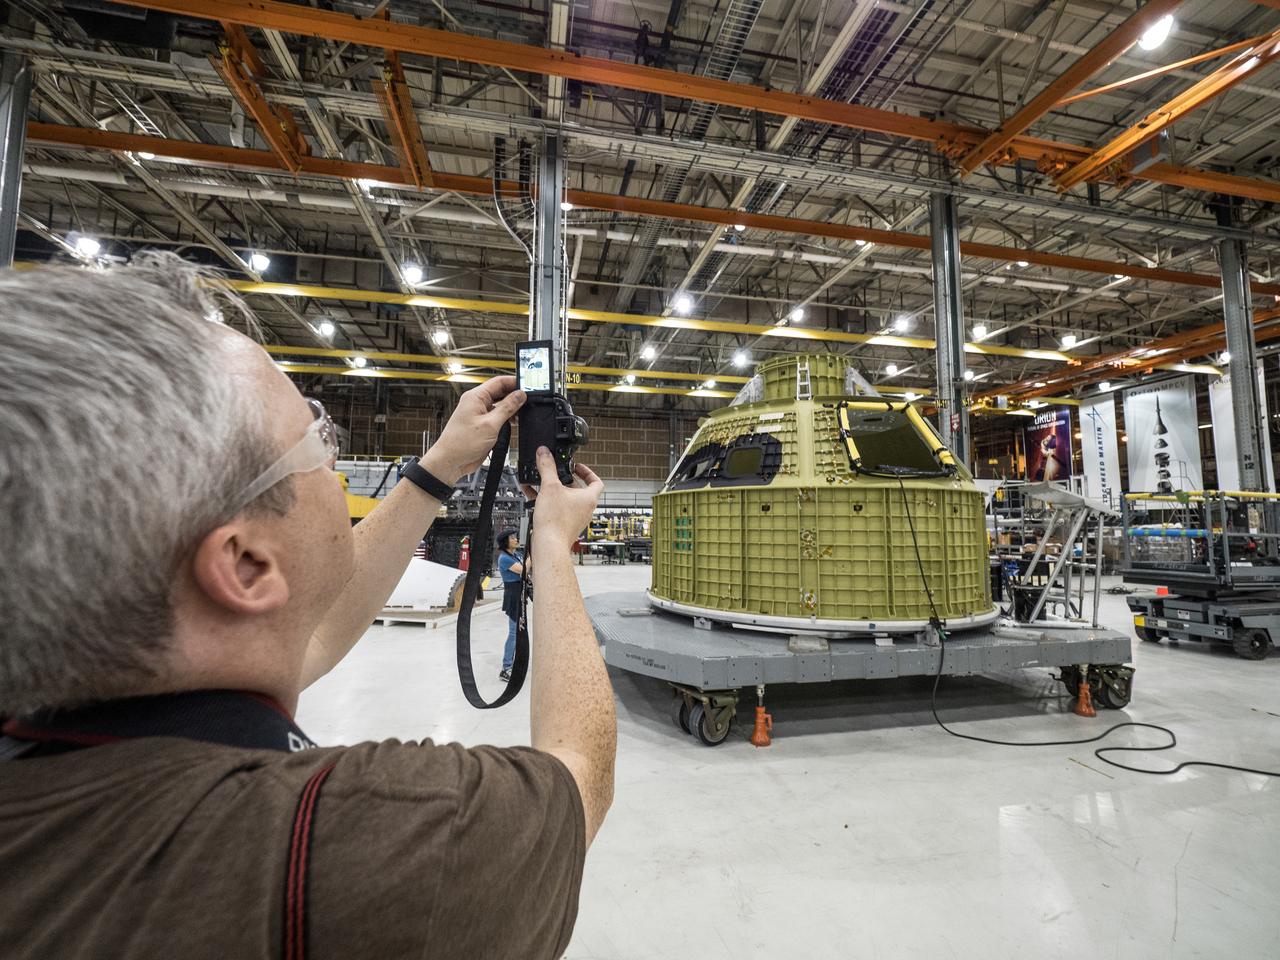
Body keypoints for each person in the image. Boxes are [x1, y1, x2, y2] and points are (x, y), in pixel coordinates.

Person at [0, 255, 616, 959]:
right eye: (317, 441)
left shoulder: (56, 734)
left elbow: (314, 629)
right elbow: (579, 775)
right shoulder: (365, 840)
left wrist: (439, 466)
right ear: (245, 566)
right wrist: (554, 545)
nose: (333, 461)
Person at [495, 528, 527, 682]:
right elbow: (524, 570)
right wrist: (532, 553)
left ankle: (512, 664)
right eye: (512, 538)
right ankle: (506, 668)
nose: (515, 539)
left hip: (519, 593)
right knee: (514, 632)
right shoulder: (504, 559)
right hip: (513, 595)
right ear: (506, 542)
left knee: (518, 632)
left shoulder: (516, 555)